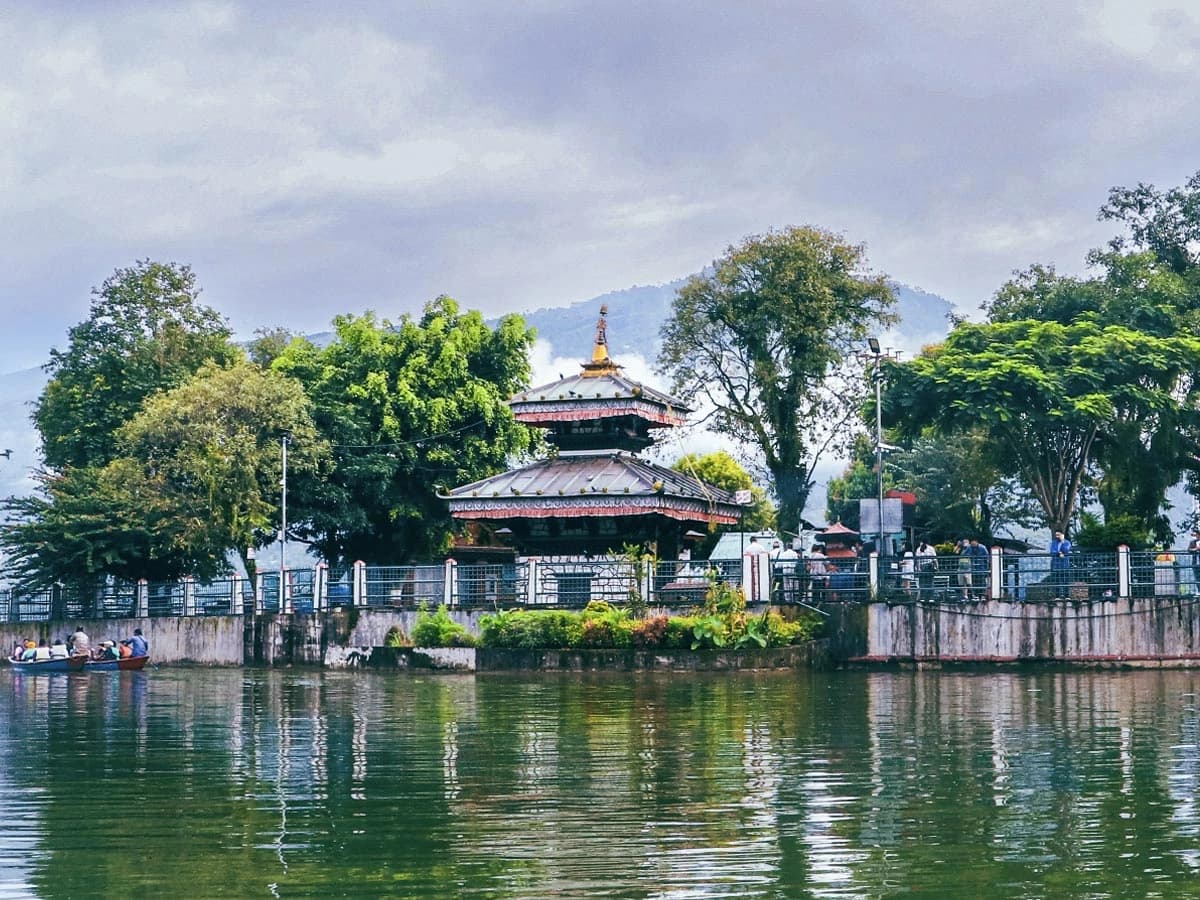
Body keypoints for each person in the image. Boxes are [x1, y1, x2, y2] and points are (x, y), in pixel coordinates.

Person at [1050, 530, 1072, 597]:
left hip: (1065, 565)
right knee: (1057, 581)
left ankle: (1067, 596)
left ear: (1062, 535)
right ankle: (1057, 596)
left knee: (1066, 581)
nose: (1057, 536)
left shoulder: (1067, 542)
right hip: (1056, 565)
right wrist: (1059, 553)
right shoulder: (1054, 543)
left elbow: (1066, 550)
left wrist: (1062, 542)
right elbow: (1052, 551)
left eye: (1058, 535)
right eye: (1056, 535)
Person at [1188, 530, 1200, 595]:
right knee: (1197, 578)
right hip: (1195, 563)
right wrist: (1195, 549)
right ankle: (1199, 590)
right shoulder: (1192, 542)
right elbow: (1189, 550)